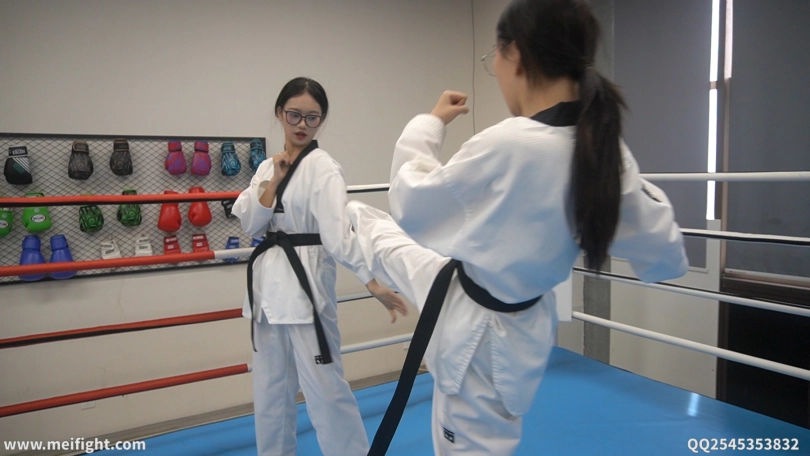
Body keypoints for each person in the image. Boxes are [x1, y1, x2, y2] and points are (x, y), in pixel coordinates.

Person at [346, 0, 690, 454]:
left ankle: (349, 219)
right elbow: (666, 253)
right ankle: (350, 219)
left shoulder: (509, 145)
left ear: (517, 55)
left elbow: (412, 200)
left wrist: (429, 125)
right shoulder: (605, 152)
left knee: (470, 444)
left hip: (478, 330)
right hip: (509, 311)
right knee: (378, 233)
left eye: (495, 57)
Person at [231, 77, 408, 456]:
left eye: (312, 118)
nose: (302, 125)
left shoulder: (324, 168)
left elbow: (338, 233)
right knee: (270, 393)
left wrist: (371, 282)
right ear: (280, 113)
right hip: (266, 293)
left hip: (306, 289)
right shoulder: (266, 167)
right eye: (294, 115)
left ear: (321, 121)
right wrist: (274, 181)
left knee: (326, 391)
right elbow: (250, 224)